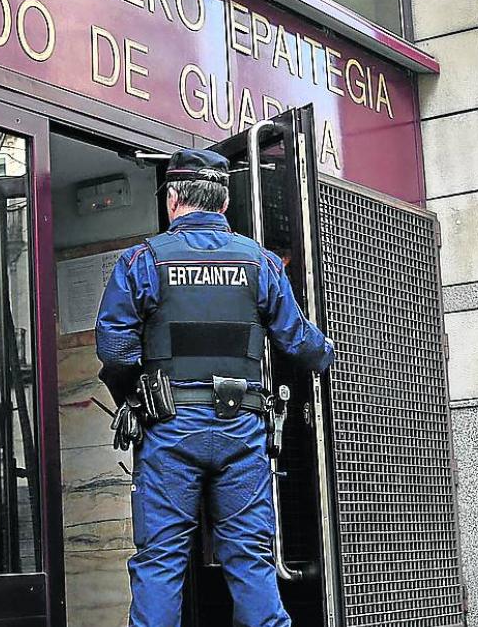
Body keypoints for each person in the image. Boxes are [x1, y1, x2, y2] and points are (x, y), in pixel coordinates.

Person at [95, 149, 334, 627]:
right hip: (241, 428)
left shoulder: (142, 261)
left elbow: (115, 350)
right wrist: (331, 351)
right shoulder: (261, 263)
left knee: (161, 561)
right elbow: (303, 346)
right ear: (223, 204)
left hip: (169, 429)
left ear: (173, 199)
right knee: (249, 557)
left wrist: (137, 399)